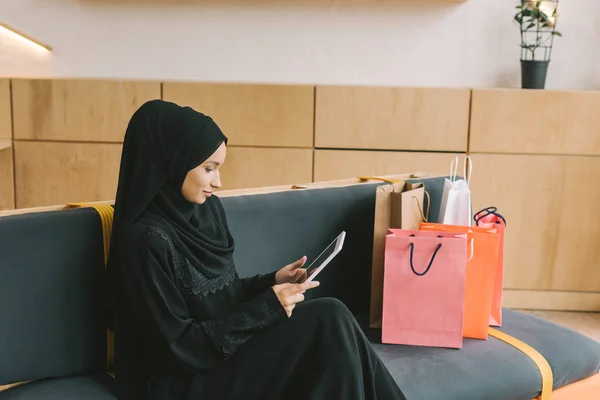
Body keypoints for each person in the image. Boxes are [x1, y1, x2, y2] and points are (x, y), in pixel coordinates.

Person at [106, 99, 407, 400]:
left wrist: (273, 281)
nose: (218, 182)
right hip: (178, 379)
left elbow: (220, 295)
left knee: (334, 317)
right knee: (327, 320)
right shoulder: (143, 242)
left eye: (219, 168)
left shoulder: (206, 213)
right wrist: (266, 308)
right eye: (208, 168)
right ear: (172, 161)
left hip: (219, 356)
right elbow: (178, 346)